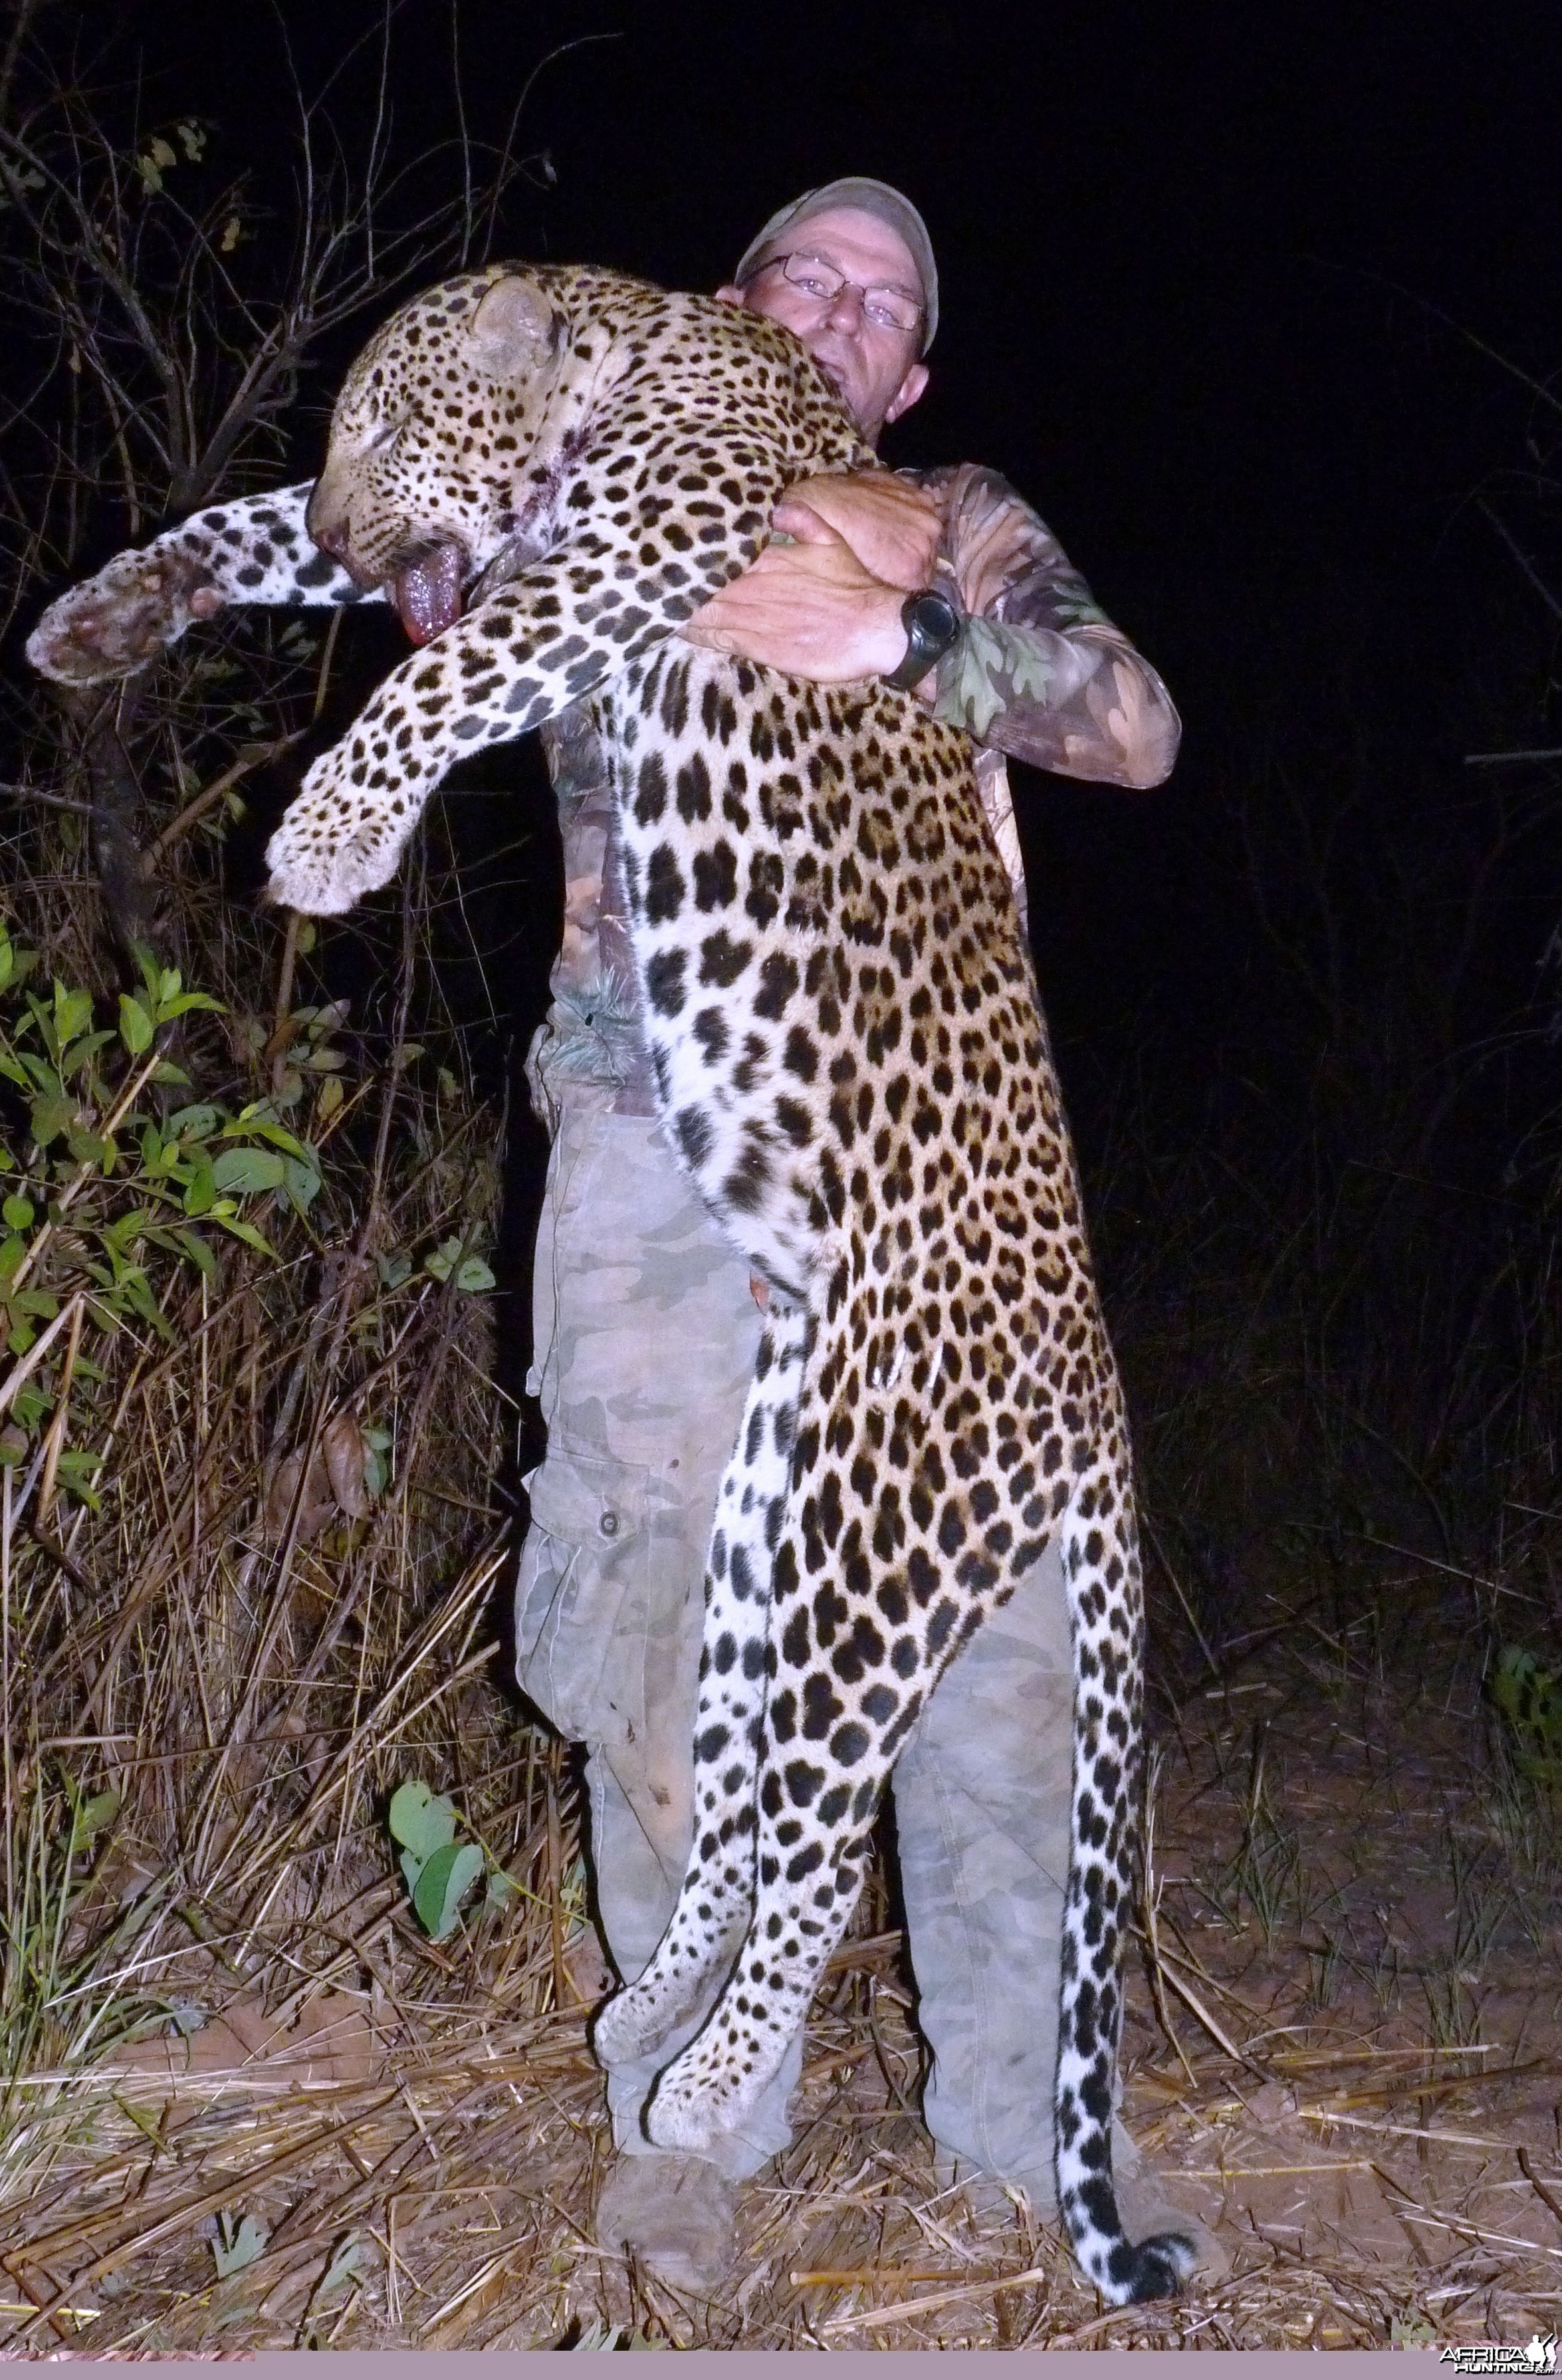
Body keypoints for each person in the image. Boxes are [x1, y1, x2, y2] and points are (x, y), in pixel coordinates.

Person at [512, 179, 1208, 2292]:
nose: (837, 308)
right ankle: (695, 2139)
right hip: (657, 1126)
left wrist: (898, 636)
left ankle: (1017, 2124)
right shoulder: (615, 460)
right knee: (664, 1615)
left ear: (909, 377)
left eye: (881, 300)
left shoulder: (955, 515)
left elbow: (1134, 724)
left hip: (937, 1163)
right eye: (805, 272)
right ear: (737, 302)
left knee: (997, 1638)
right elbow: (442, 592)